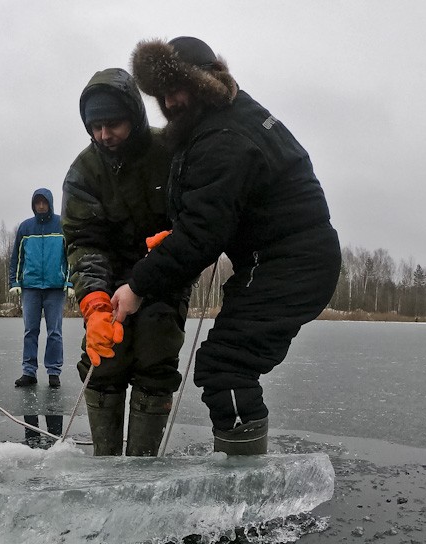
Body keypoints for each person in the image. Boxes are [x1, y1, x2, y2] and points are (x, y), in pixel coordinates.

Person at [112, 36, 342, 455]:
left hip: (292, 264)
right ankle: (244, 474)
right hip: (278, 260)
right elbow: (209, 214)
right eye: (162, 93)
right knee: (225, 362)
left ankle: (245, 489)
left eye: (178, 87)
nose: (170, 100)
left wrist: (136, 287)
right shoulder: (221, 119)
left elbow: (203, 234)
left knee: (226, 365)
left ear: (206, 81)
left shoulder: (223, 136)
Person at [62, 68, 190, 457]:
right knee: (105, 360)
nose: (104, 135)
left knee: (155, 352)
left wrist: (173, 244)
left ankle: (141, 467)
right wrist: (95, 303)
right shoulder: (83, 171)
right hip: (109, 276)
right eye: (95, 126)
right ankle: (106, 464)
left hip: (163, 273)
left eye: (112, 124)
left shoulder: (169, 152)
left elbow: (197, 212)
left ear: (134, 116)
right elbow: (84, 243)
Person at [9, 188, 72, 388]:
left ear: (50, 204)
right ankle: (29, 372)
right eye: (38, 203)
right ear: (34, 205)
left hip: (55, 287)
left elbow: (71, 255)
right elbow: (16, 258)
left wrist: (69, 282)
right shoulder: (26, 228)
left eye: (44, 202)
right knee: (31, 330)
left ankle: (54, 372)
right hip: (31, 288)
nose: (41, 206)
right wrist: (15, 282)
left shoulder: (62, 225)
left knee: (55, 331)